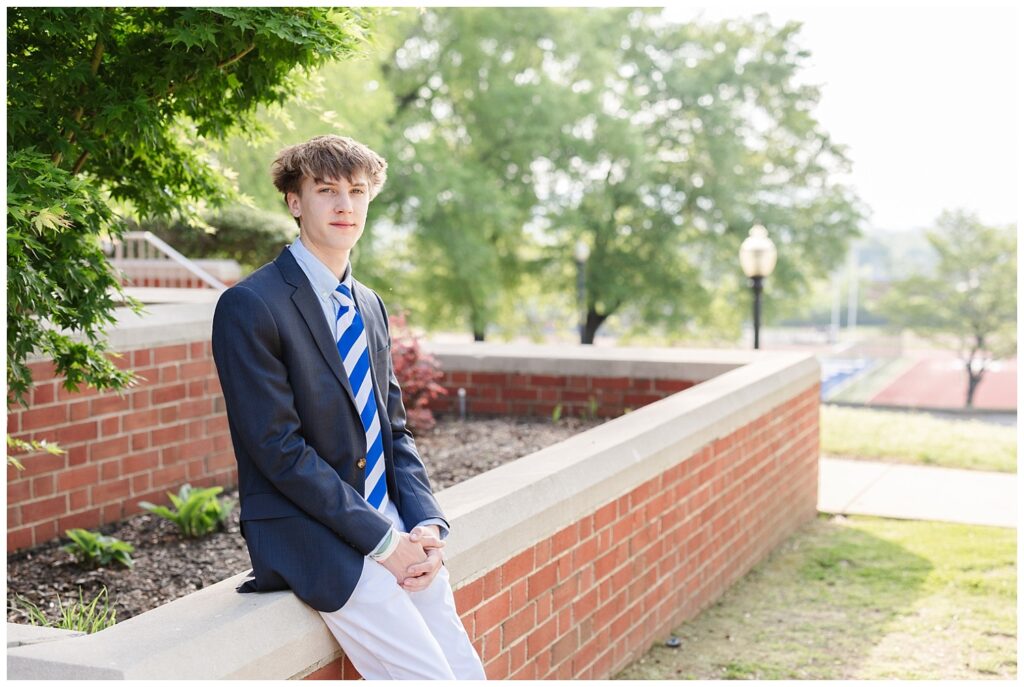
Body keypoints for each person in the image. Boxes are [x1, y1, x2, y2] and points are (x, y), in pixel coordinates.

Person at [211, 134, 486, 680]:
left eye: (357, 192)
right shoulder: (250, 306)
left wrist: (425, 523)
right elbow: (278, 451)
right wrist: (385, 542)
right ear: (295, 201)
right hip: (311, 532)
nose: (345, 205)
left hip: (391, 526)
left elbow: (395, 432)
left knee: (464, 671)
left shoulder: (368, 304)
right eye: (327, 190)